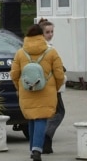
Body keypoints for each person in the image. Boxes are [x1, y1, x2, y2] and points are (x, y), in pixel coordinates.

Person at [10, 23, 65, 161]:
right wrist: (55, 87)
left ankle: (33, 149)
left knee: (32, 118)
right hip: (47, 91)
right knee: (41, 118)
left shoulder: (20, 53)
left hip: (27, 90)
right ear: (41, 35)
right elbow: (59, 74)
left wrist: (19, 87)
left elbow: (14, 74)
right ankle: (36, 150)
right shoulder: (51, 52)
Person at [39, 19, 65, 154]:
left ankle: (43, 143)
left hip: (40, 85)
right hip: (52, 86)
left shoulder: (35, 47)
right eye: (47, 32)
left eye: (52, 32)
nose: (50, 34)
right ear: (41, 33)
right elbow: (58, 71)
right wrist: (59, 83)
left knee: (46, 114)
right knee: (59, 112)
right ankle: (46, 137)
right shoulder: (49, 49)